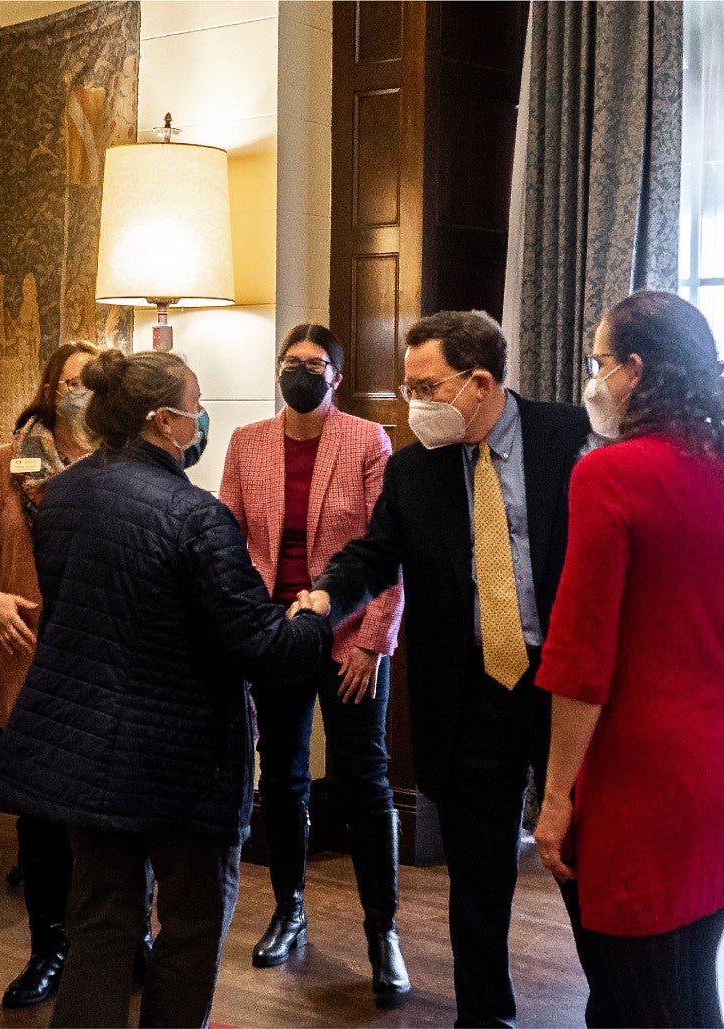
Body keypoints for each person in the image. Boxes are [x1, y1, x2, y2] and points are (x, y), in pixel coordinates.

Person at [0, 349, 332, 1029]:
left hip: (86, 751)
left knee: (99, 928)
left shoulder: (60, 496)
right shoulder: (196, 516)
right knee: (191, 930)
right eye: (195, 403)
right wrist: (316, 618)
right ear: (164, 421)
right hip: (183, 766)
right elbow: (259, 644)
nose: (201, 417)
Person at [292, 310, 615, 1027]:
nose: (414, 404)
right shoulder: (415, 467)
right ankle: (484, 1014)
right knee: (477, 873)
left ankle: (617, 1002)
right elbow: (374, 555)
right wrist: (324, 592)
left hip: (563, 682)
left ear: (478, 383)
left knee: (579, 858)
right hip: (470, 690)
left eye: (425, 386)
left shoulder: (573, 438)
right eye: (408, 388)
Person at [533, 291, 724, 1028]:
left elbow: (581, 658)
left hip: (645, 782)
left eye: (599, 361)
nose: (594, 376)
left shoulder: (608, 475)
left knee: (637, 1007)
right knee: (688, 992)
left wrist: (553, 797)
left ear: (635, 370)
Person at [219, 324, 409, 1004]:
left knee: (365, 780)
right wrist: (249, 627)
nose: (301, 371)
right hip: (278, 634)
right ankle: (288, 907)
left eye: (315, 363)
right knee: (285, 776)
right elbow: (229, 540)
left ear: (336, 374)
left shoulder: (368, 440)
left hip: (349, 631)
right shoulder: (246, 443)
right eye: (291, 362)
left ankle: (382, 931)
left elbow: (388, 548)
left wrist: (373, 642)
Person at [0, 340, 97, 1009]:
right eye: (70, 381)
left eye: (93, 382)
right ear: (48, 387)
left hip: (103, 672)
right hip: (26, 667)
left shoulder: (124, 465)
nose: (80, 392)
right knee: (39, 822)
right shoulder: (7, 466)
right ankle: (50, 946)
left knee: (111, 821)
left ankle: (122, 941)